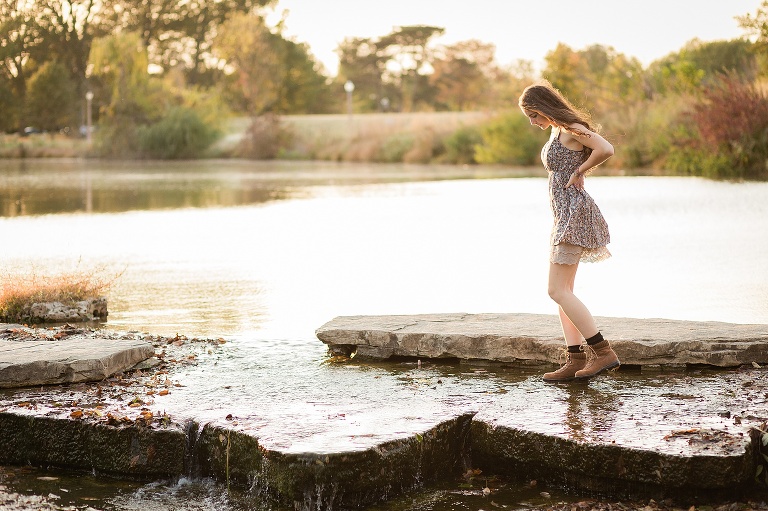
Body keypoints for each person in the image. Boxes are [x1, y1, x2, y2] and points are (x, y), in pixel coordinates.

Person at [518, 80, 620, 382]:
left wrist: (580, 170)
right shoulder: (556, 130)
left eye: (533, 116)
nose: (533, 123)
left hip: (574, 216)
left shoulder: (570, 127)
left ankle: (603, 353)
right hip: (563, 216)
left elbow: (606, 148)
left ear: (542, 108)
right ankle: (575, 359)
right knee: (564, 293)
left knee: (556, 290)